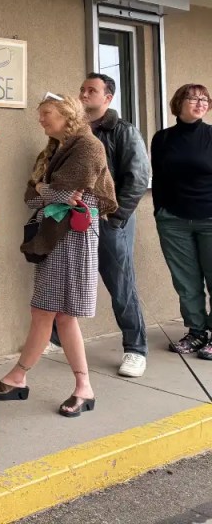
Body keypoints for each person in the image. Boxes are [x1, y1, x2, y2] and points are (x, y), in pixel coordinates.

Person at [0, 94, 117, 418]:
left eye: (47, 113)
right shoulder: (53, 150)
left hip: (73, 237)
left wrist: (47, 191)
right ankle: (25, 378)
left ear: (68, 114)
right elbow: (31, 197)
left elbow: (59, 192)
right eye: (41, 114)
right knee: (48, 312)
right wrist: (49, 192)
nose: (41, 120)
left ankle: (70, 385)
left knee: (55, 313)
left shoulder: (89, 147)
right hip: (55, 236)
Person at [49, 74, 150, 378]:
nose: (83, 94)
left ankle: (135, 349)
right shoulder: (71, 133)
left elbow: (138, 179)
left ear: (108, 98)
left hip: (108, 221)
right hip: (72, 219)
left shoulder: (123, 131)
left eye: (91, 91)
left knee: (121, 284)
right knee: (67, 278)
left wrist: (115, 218)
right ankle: (55, 336)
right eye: (81, 89)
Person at [151, 83, 212, 358]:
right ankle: (197, 333)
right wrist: (160, 211)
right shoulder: (162, 139)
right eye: (193, 98)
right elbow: (159, 179)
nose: (200, 103)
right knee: (186, 282)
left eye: (204, 99)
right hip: (173, 221)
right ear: (179, 102)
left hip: (209, 219)